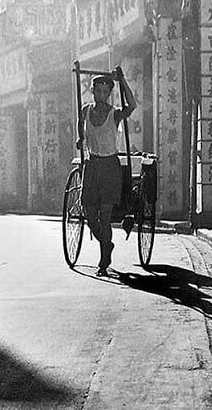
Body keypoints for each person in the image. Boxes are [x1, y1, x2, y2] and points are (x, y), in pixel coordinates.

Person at [76, 66, 136, 276]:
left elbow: (133, 105)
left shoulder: (115, 114)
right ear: (92, 91)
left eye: (105, 92)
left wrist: (123, 80)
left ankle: (103, 261)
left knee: (105, 215)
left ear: (109, 94)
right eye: (98, 91)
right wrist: (80, 139)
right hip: (92, 166)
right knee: (90, 215)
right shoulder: (86, 110)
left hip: (110, 167)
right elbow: (79, 124)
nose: (101, 95)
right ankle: (106, 243)